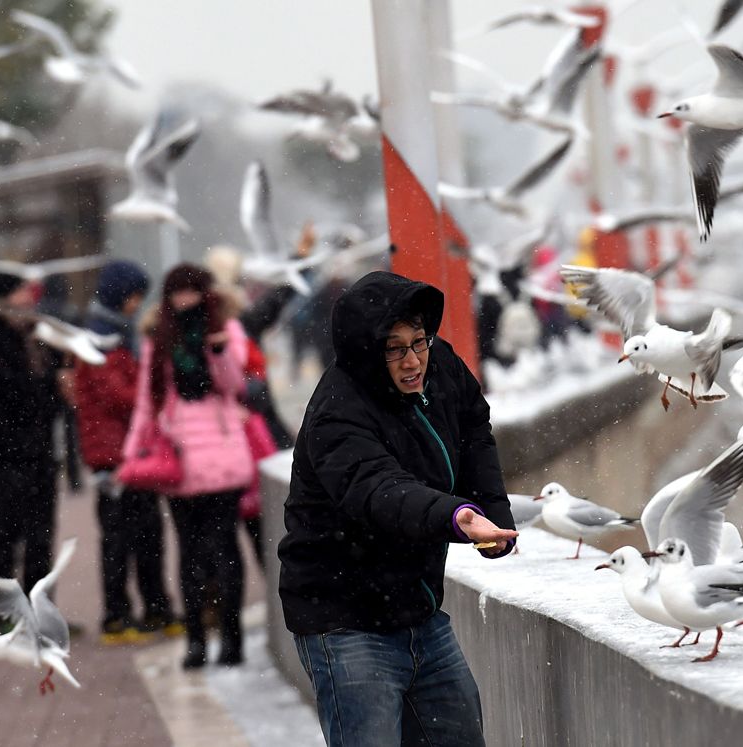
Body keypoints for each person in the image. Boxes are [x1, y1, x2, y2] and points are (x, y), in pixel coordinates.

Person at [279, 270, 519, 747]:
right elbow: (381, 492)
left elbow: (474, 429)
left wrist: (493, 511)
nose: (412, 361)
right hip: (345, 623)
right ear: (368, 351)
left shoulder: (440, 367)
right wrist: (457, 517)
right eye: (394, 348)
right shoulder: (337, 412)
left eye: (419, 342)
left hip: (419, 613)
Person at [123, 264, 255, 668]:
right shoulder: (158, 338)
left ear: (205, 293)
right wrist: (133, 452)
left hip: (222, 455)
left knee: (225, 552)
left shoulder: (226, 329)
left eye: (190, 291)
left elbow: (236, 386)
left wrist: (217, 352)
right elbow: (148, 399)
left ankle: (231, 640)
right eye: (176, 292)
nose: (184, 300)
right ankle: (197, 640)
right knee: (190, 554)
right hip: (179, 459)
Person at [74, 260, 180, 644]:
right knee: (118, 541)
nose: (138, 303)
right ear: (121, 295)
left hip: (135, 454)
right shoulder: (98, 340)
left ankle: (156, 608)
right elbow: (118, 397)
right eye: (135, 295)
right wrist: (153, 388)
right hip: (112, 459)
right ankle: (116, 617)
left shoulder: (121, 335)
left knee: (149, 535)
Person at [0, 272, 62, 632]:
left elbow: (48, 397)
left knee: (41, 537)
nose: (29, 300)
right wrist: (37, 383)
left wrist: (52, 383)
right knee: (5, 535)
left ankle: (41, 614)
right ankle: (5, 614)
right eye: (22, 293)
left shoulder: (33, 337)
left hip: (38, 453)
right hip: (2, 456)